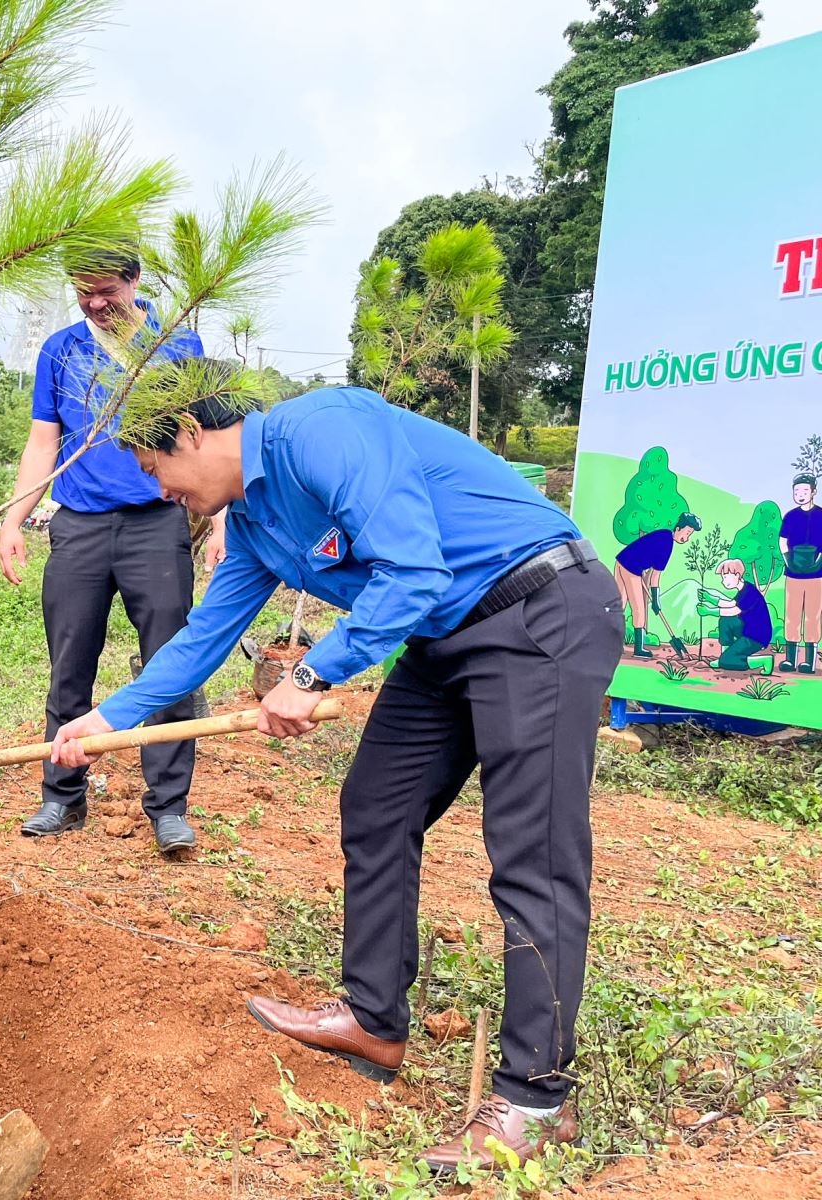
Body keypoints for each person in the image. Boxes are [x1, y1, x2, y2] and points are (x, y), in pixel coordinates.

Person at [51, 375, 620, 1170]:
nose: (164, 492)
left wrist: (313, 676)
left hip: (538, 607)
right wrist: (109, 716)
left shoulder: (319, 429)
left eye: (154, 470)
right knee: (377, 807)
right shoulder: (250, 520)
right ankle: (373, 1018)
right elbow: (207, 632)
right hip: (443, 636)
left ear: (188, 432)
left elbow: (413, 570)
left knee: (534, 854)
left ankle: (536, 1099)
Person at [0, 248, 222, 852]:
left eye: (106, 291)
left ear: (135, 281)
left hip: (157, 524)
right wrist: (13, 519)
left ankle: (169, 807)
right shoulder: (61, 350)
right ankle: (61, 797)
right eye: (82, 291)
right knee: (69, 664)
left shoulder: (179, 346)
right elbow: (43, 442)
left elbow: (203, 440)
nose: (95, 303)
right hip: (79, 528)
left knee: (170, 665)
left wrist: (220, 517)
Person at [613, 513, 699, 659]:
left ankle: (614, 643)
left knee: (620, 605)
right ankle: (638, 648)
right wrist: (655, 600)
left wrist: (654, 599)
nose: (687, 538)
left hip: (621, 561)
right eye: (687, 533)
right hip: (631, 568)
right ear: (678, 528)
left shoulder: (663, 535)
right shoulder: (667, 544)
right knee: (639, 609)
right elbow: (655, 577)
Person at [779, 473, 822, 673]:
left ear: (813, 491)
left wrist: (818, 561)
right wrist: (789, 560)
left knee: (813, 616)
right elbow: (782, 541)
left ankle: (810, 662)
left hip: (816, 575)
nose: (800, 494)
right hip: (793, 573)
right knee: (792, 615)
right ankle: (790, 660)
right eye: (797, 491)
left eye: (805, 491)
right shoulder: (790, 516)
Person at [699, 559, 774, 672]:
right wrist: (710, 598)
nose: (723, 581)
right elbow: (730, 604)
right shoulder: (744, 590)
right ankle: (725, 655)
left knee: (727, 661)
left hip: (756, 636)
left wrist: (709, 611)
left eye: (725, 577)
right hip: (747, 629)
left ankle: (763, 661)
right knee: (726, 621)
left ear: (737, 575)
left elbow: (734, 610)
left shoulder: (750, 592)